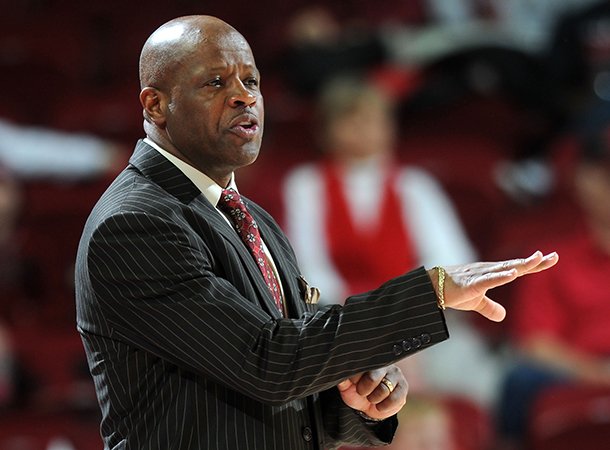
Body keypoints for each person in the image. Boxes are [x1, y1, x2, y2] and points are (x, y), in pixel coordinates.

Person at [75, 15, 558, 450]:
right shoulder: (136, 225)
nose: (244, 96)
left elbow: (279, 391)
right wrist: (428, 292)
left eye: (251, 81)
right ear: (155, 104)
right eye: (216, 82)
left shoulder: (251, 217)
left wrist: (353, 399)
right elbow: (267, 360)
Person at [497, 119, 610, 446]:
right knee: (520, 380)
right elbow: (534, 344)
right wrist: (598, 374)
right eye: (606, 175)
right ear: (585, 180)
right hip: (575, 370)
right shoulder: (553, 259)